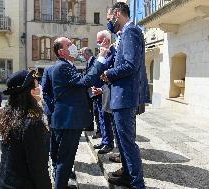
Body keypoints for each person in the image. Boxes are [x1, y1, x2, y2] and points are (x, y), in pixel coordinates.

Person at [101, 3, 150, 189]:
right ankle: (127, 176)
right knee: (122, 141)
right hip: (119, 96)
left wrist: (109, 74)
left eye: (109, 19)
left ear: (117, 14)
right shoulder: (125, 34)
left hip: (125, 97)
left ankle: (137, 184)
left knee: (128, 143)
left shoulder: (131, 32)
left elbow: (131, 65)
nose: (109, 23)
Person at [51, 37, 108, 189]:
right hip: (68, 121)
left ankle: (60, 184)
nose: (74, 46)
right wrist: (101, 58)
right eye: (69, 44)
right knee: (65, 159)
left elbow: (73, 89)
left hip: (67, 120)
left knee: (64, 158)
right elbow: (85, 81)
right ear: (61, 51)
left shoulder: (67, 65)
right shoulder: (62, 67)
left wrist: (90, 92)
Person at [0, 70, 51, 189]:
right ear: (32, 92)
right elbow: (38, 167)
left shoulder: (10, 114)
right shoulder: (32, 123)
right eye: (37, 86)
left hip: (5, 181)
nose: (40, 89)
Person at [91, 30, 117, 154]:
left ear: (106, 41)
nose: (98, 44)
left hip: (110, 90)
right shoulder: (105, 53)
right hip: (103, 89)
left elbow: (110, 72)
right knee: (102, 117)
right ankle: (105, 140)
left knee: (107, 117)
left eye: (99, 42)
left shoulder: (113, 53)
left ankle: (109, 143)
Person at [80, 47, 101, 137]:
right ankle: (90, 126)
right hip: (88, 90)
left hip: (95, 90)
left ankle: (100, 131)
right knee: (90, 110)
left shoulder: (95, 61)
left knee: (97, 111)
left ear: (86, 54)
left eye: (82, 54)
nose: (81, 56)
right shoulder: (87, 62)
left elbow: (96, 74)